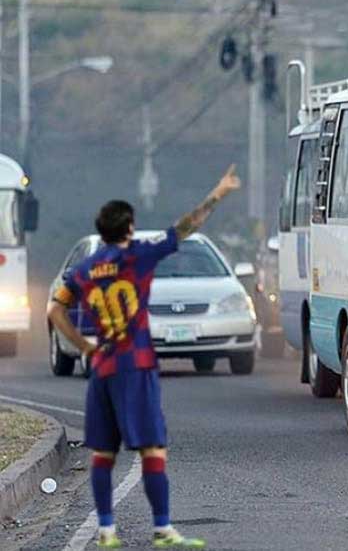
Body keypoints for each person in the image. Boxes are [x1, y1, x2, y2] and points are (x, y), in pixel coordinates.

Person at [46, 165, 241, 549]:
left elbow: (55, 310)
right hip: (135, 365)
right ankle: (163, 528)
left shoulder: (86, 269)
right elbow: (185, 228)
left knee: (102, 452)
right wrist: (218, 193)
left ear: (102, 231)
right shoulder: (139, 257)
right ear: (130, 228)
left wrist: (85, 346)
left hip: (101, 367)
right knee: (152, 447)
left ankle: (105, 530)